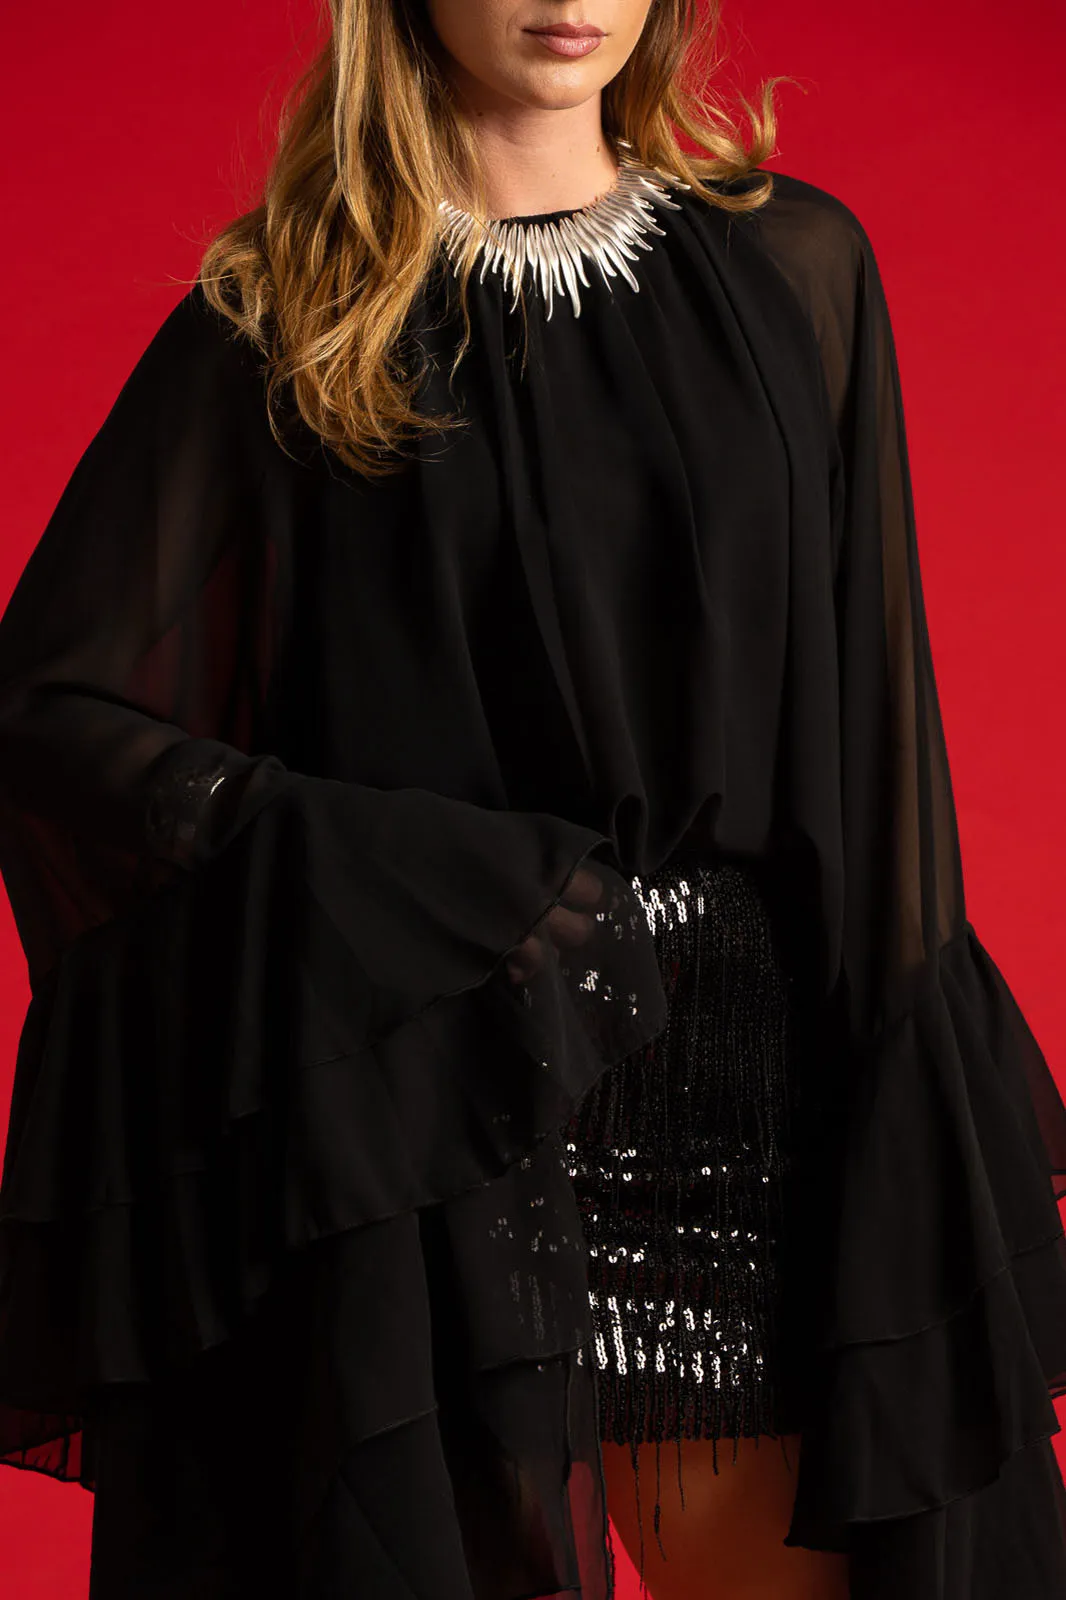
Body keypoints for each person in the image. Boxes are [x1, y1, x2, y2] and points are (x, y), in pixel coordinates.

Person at [0, 1, 1064, 1597]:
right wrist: (381, 869)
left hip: (741, 1094)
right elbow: (46, 709)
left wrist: (903, 1087)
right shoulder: (289, 313)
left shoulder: (796, 265)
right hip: (439, 1101)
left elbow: (873, 724)